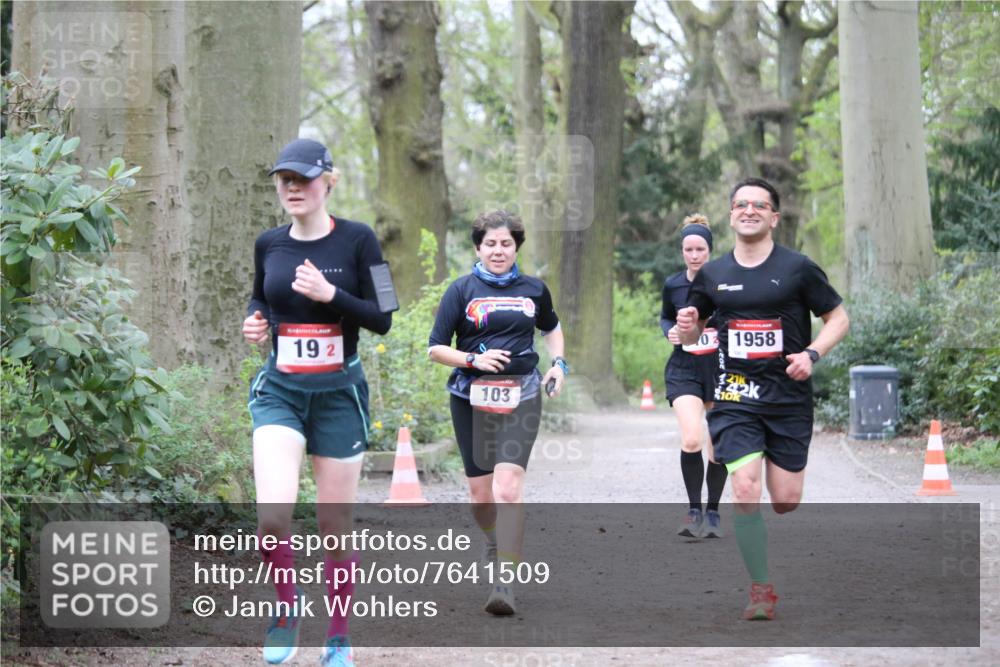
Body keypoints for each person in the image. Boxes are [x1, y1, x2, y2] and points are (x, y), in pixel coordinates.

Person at [243, 138, 391, 666]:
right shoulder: (269, 244)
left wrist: (334, 298)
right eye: (284, 179)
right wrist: (256, 322)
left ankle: (338, 637)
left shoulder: (359, 240)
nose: (291, 188)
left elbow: (384, 316)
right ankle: (286, 608)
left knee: (335, 525)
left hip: (338, 395)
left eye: (302, 179)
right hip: (281, 390)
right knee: (272, 520)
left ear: (328, 181)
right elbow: (263, 296)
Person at [676, 177, 849, 621]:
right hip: (734, 394)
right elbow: (694, 332)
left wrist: (812, 354)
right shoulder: (712, 274)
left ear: (774, 216)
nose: (749, 210)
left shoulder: (799, 268)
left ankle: (775, 467)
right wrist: (690, 324)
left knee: (785, 499)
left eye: (759, 204)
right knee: (746, 487)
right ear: (731, 214)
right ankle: (760, 588)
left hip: (788, 397)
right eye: (740, 204)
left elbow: (837, 318)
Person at [428, 210, 566, 616]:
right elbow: (436, 348)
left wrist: (558, 365)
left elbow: (551, 328)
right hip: (470, 397)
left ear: (516, 247)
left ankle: (504, 582)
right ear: (478, 247)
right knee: (480, 496)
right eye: (490, 243)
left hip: (522, 394)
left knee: (508, 487)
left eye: (506, 243)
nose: (498, 250)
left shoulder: (534, 289)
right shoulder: (461, 290)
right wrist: (473, 359)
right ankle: (494, 540)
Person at [660, 214, 728, 539]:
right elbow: (663, 318)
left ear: (710, 250)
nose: (694, 255)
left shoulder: (725, 281)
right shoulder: (673, 284)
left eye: (700, 248)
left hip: (720, 368)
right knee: (691, 439)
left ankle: (713, 512)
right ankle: (693, 512)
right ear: (682, 251)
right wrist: (670, 331)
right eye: (688, 249)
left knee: (718, 447)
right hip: (684, 369)